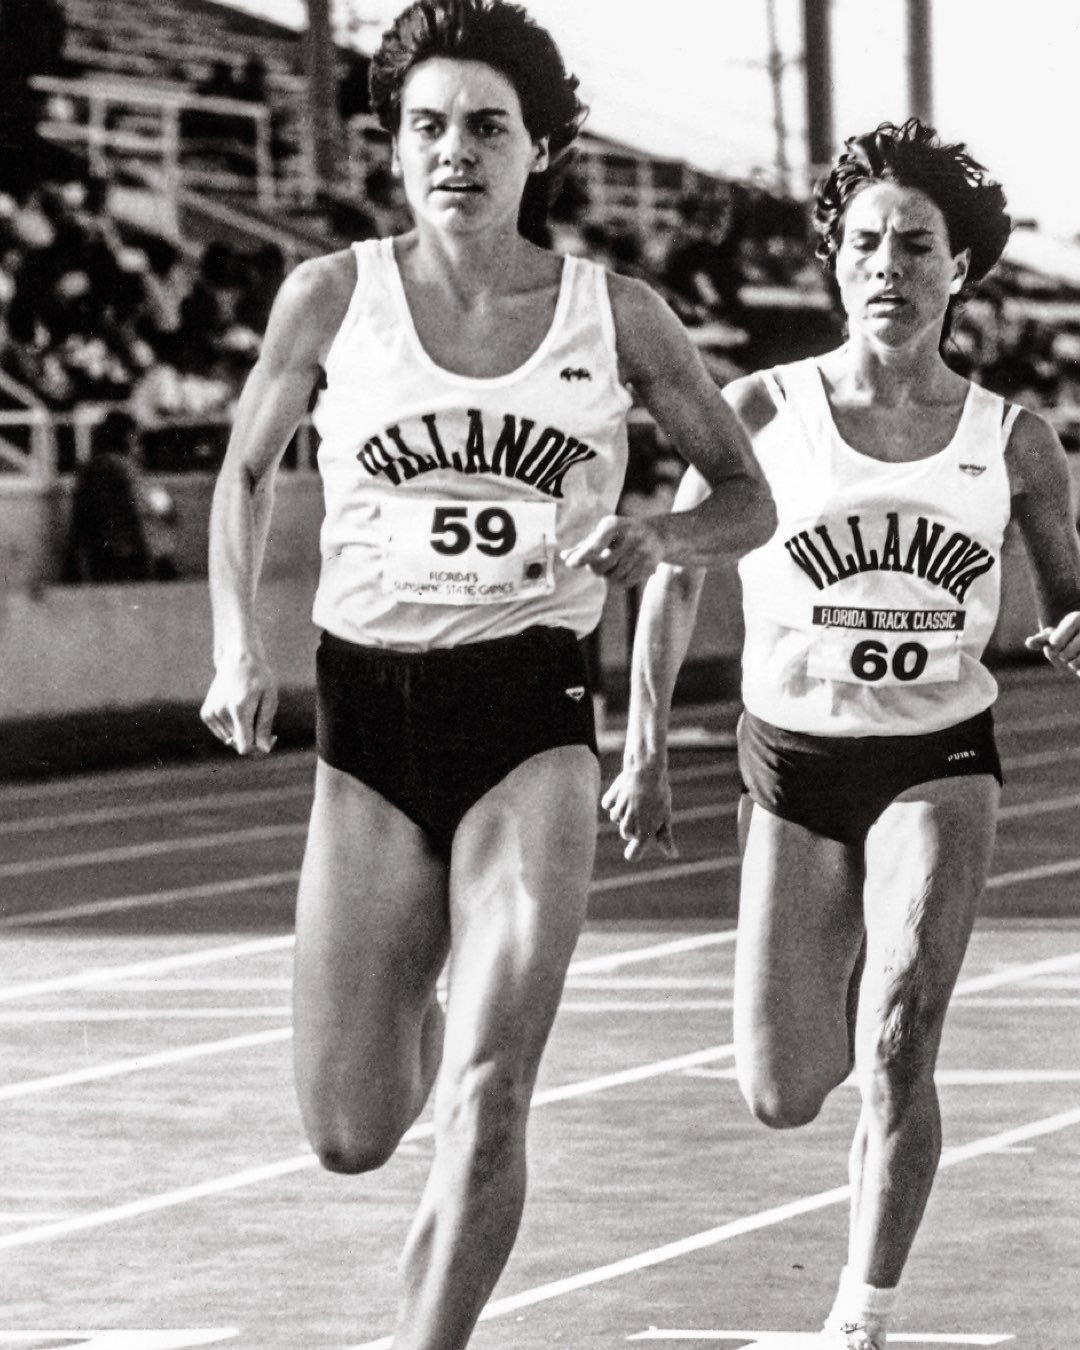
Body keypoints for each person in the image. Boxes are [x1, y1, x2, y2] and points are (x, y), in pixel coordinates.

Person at [198, 3, 775, 1346]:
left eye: (486, 128)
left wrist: (665, 535)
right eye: (428, 126)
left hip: (530, 721)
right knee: (349, 1132)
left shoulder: (614, 313)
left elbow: (748, 492)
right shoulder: (332, 297)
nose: (456, 151)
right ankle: (444, 992)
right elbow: (241, 472)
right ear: (396, 148)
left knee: (492, 1088)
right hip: (367, 727)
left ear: (541, 152)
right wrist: (237, 640)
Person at [604, 118, 1080, 1349]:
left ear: (959, 269)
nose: (887, 267)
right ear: (833, 262)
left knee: (901, 1037)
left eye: (915, 245)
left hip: (937, 754)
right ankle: (859, 965)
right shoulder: (763, 409)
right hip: (795, 761)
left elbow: (1071, 595)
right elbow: (676, 572)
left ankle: (859, 1316)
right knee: (781, 1090)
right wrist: (646, 744)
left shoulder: (1016, 441)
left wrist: (1079, 630)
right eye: (863, 243)